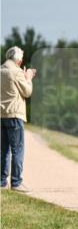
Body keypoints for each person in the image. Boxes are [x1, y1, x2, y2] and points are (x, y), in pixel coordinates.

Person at [1, 46, 36, 191]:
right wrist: (28, 78)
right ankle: (16, 182)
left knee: (3, 150)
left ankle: (2, 181)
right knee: (18, 149)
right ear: (19, 61)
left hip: (1, 115)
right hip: (14, 115)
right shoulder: (16, 72)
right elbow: (27, 92)